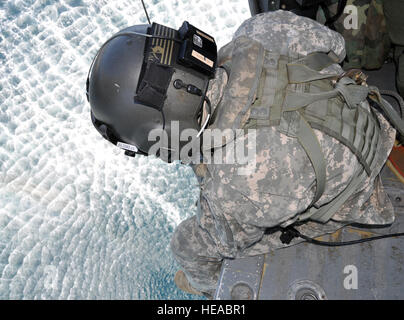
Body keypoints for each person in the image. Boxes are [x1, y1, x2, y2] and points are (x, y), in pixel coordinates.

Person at [87, 10, 401, 298]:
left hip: (360, 189)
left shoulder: (235, 186)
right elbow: (336, 48)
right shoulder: (261, 28)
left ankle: (211, 293)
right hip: (376, 120)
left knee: (187, 247)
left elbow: (227, 240)